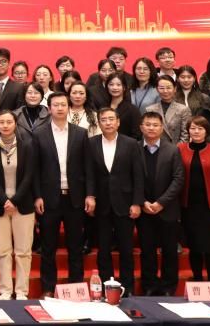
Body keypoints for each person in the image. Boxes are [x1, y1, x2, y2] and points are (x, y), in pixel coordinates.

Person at [33, 91, 89, 294]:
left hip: (75, 198)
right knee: (48, 248)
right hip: (49, 199)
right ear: (49, 109)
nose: (59, 108)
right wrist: (37, 196)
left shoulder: (80, 133)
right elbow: (34, 168)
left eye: (63, 105)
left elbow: (88, 167)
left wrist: (90, 194)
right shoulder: (39, 133)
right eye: (55, 105)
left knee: (75, 247)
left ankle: (76, 287)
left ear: (69, 107)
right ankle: (48, 288)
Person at [86, 107, 144, 293]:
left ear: (118, 122)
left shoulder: (131, 144)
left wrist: (136, 202)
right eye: (104, 119)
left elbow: (138, 175)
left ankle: (128, 287)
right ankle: (106, 287)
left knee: (126, 249)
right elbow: (89, 174)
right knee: (103, 249)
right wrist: (90, 195)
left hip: (125, 203)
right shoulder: (91, 143)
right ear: (99, 123)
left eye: (111, 119)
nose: (108, 123)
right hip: (101, 203)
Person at [0, 110, 35, 300]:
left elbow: (29, 176)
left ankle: (21, 291)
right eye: (1, 122)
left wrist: (15, 200)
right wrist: (5, 200)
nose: (5, 125)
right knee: (3, 250)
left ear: (15, 124)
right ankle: (5, 290)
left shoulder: (27, 146)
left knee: (23, 251)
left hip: (23, 206)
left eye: (9, 122)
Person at [136, 112, 184, 297]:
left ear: (162, 128)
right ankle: (149, 285)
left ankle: (168, 286)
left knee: (169, 250)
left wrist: (161, 202)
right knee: (147, 250)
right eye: (147, 124)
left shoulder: (172, 150)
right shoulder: (134, 148)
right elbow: (130, 178)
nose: (151, 128)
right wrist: (142, 202)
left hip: (167, 208)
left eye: (155, 125)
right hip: (144, 208)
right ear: (141, 127)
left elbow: (178, 179)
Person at [178, 116, 210, 281]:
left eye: (200, 128)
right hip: (188, 206)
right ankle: (198, 279)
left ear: (206, 131)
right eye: (193, 128)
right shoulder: (180, 149)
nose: (196, 131)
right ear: (188, 131)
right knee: (194, 247)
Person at [145, 76, 191, 144]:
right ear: (157, 89)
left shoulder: (183, 109)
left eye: (168, 88)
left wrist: (174, 149)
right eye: (161, 88)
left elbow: (186, 135)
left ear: (175, 89)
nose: (165, 91)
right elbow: (147, 133)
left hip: (176, 148)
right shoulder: (150, 110)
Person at [102, 75, 143, 140]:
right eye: (111, 84)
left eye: (118, 85)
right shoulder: (102, 108)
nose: (115, 88)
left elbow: (137, 134)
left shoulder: (132, 110)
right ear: (107, 87)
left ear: (124, 87)